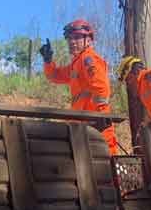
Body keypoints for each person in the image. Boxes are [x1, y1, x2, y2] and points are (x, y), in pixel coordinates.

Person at [39, 19, 118, 154]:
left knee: (105, 162)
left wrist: (99, 118)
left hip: (96, 126)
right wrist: (48, 61)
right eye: (69, 38)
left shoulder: (89, 59)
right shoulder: (75, 64)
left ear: (88, 40)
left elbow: (101, 89)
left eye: (77, 37)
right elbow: (55, 76)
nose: (72, 42)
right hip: (82, 124)